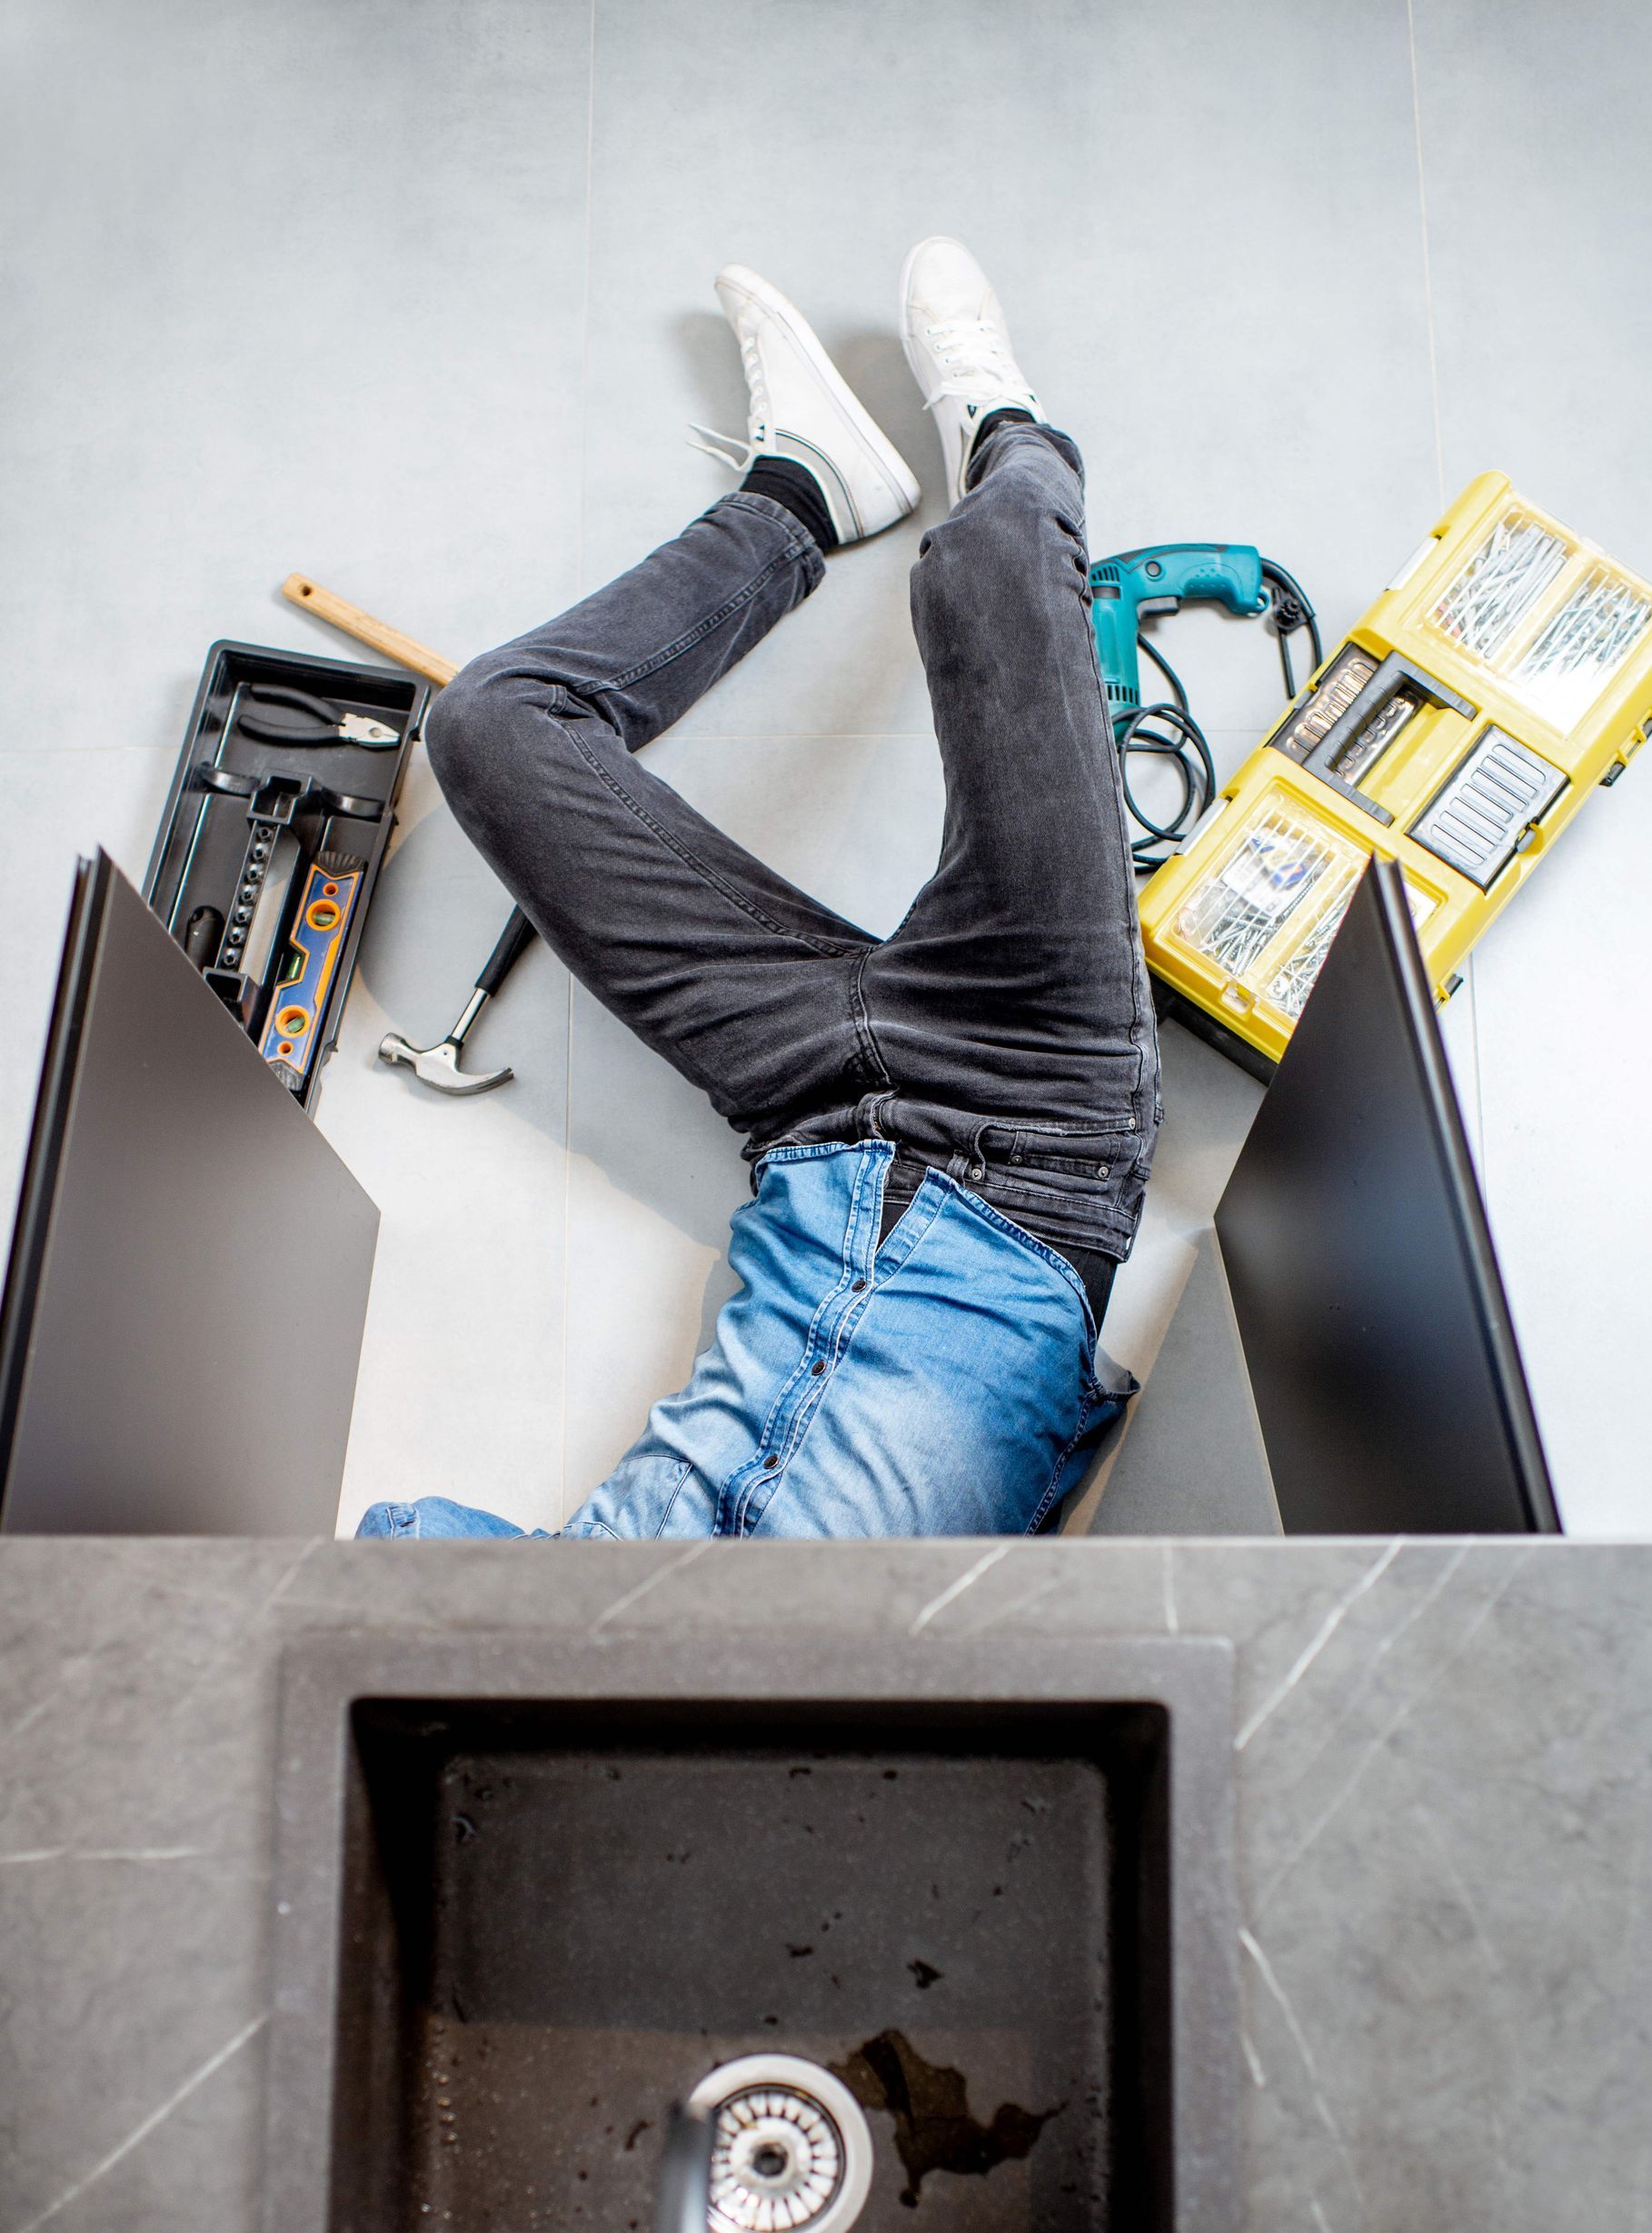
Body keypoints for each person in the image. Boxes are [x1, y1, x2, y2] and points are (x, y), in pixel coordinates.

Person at [357, 238, 1160, 1544]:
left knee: (491, 727)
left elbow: (405, 1540)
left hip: (806, 1107)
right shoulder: (867, 1664)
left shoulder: (557, 1635)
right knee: (996, 562)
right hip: (1035, 1124)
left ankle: (801, 493)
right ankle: (1004, 428)